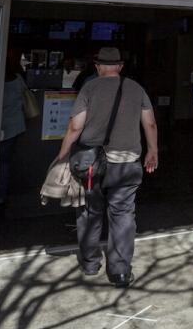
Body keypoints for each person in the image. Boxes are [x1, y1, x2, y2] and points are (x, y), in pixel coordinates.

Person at [54, 47, 158, 288]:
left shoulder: (89, 88)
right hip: (127, 163)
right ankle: (120, 271)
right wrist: (153, 150)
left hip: (92, 164)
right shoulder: (136, 88)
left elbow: (75, 126)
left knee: (89, 212)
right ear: (120, 66)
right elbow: (150, 123)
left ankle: (90, 263)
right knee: (122, 215)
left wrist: (62, 154)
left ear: (98, 65)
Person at [0, 54, 28, 207]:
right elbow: (25, 94)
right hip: (14, 125)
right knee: (4, 162)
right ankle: (1, 195)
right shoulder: (18, 79)